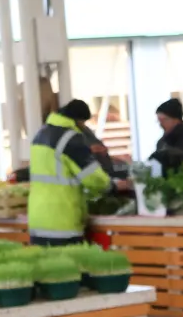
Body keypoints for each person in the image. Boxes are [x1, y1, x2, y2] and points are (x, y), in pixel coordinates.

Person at [27, 108, 113, 246]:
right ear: (79, 121)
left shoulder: (40, 134)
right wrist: (112, 185)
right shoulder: (70, 138)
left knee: (44, 267)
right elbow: (94, 178)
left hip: (37, 220)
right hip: (62, 221)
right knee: (70, 267)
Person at [59, 99, 116, 176]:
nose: (83, 124)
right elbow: (75, 156)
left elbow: (97, 144)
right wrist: (90, 150)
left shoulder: (85, 130)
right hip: (89, 177)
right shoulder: (65, 134)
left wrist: (101, 148)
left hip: (102, 172)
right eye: (82, 121)